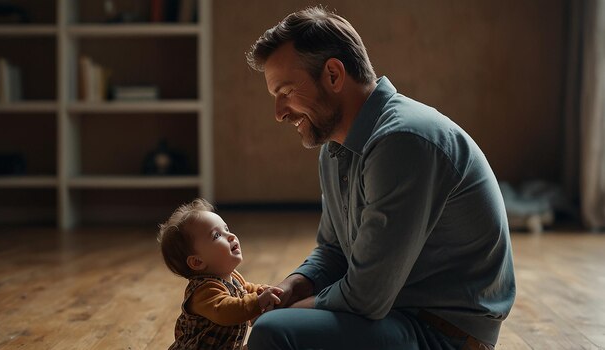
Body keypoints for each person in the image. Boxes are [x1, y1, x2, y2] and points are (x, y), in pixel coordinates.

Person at [245, 6, 515, 350]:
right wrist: (293, 285)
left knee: (275, 332)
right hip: (392, 316)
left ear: (333, 75)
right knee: (280, 323)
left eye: (285, 91)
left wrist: (291, 313)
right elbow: (333, 251)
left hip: (442, 334)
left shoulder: (404, 140)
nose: (279, 113)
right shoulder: (334, 150)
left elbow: (366, 296)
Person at [157, 198, 283, 350]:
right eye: (217, 236)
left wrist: (261, 291)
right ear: (197, 262)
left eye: (227, 229)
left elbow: (245, 289)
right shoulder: (203, 291)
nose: (230, 236)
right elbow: (224, 311)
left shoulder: (231, 276)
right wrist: (257, 302)